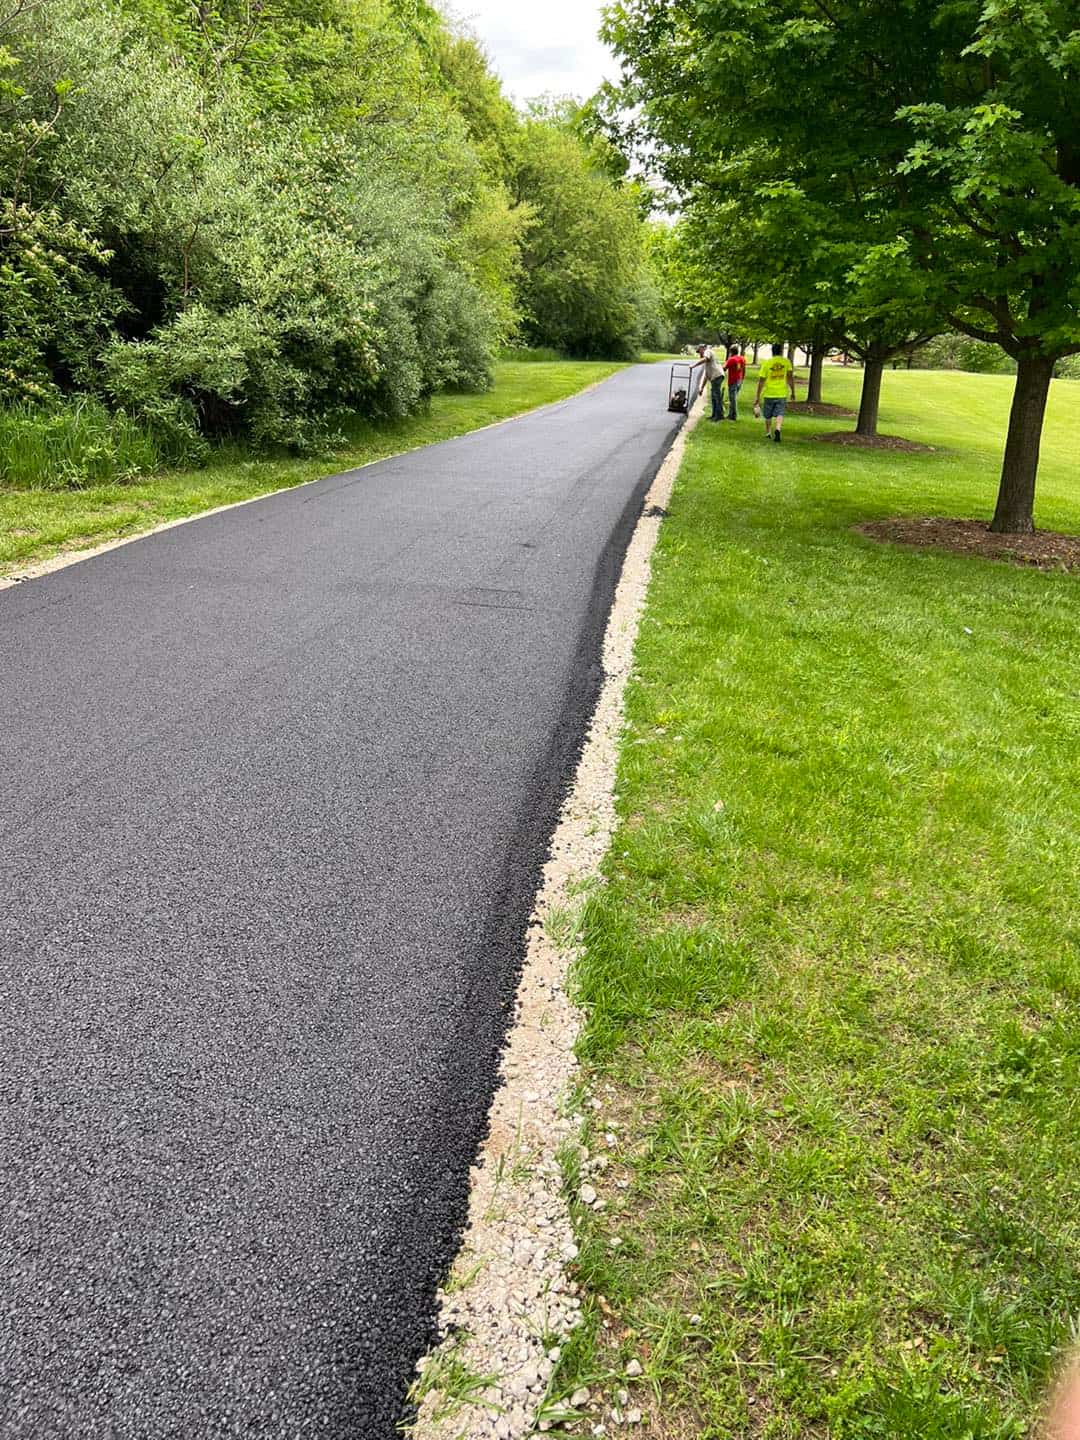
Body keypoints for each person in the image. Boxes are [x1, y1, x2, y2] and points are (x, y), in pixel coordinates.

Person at [754, 342, 797, 442]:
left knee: (767, 415)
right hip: (781, 393)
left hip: (769, 393)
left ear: (772, 351)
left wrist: (757, 396)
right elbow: (790, 378)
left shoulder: (767, 363)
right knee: (780, 413)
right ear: (781, 351)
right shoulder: (786, 362)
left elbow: (761, 381)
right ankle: (778, 428)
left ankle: (768, 432)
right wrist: (793, 391)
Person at [697, 343, 724, 421]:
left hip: (717, 376)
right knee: (713, 396)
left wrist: (693, 366)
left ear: (702, 349)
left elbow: (705, 359)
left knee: (716, 396)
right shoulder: (707, 363)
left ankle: (719, 416)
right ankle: (714, 415)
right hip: (715, 377)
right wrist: (701, 388)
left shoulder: (707, 351)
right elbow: (706, 376)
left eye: (700, 352)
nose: (700, 354)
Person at [724, 345, 746, 420]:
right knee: (733, 398)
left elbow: (724, 368)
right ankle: (731, 414)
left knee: (732, 399)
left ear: (731, 351)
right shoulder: (742, 358)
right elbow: (743, 369)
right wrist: (743, 378)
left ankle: (733, 415)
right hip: (739, 380)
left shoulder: (731, 359)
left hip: (733, 381)